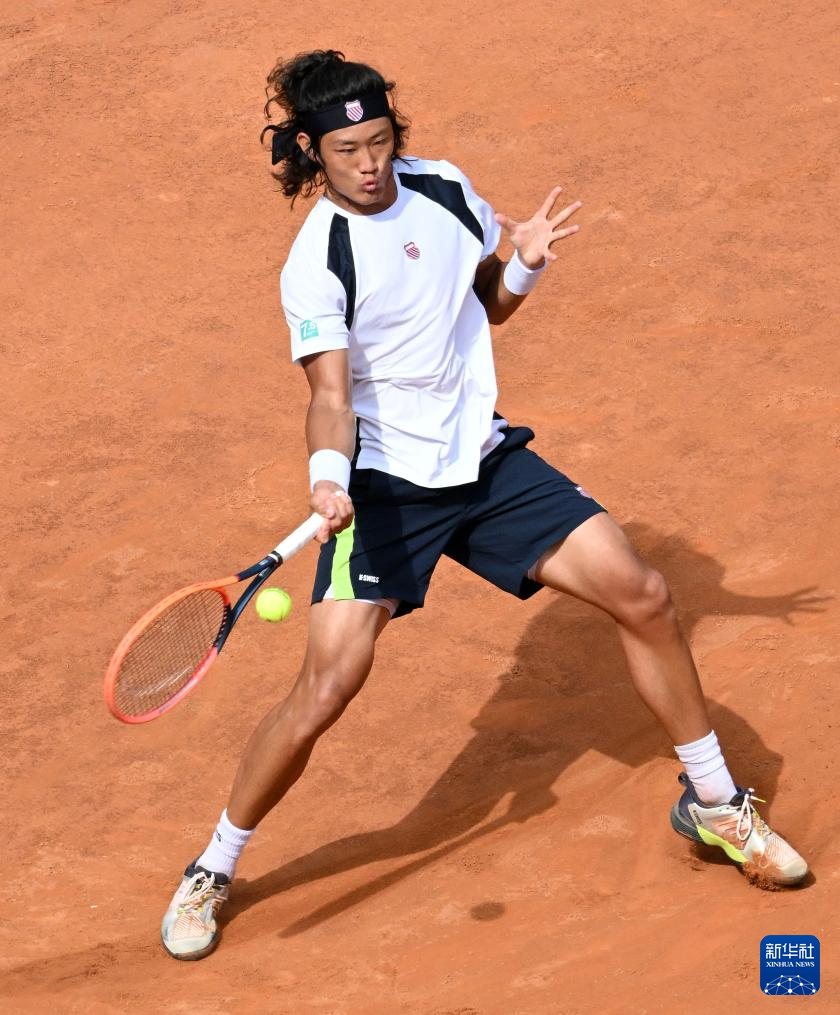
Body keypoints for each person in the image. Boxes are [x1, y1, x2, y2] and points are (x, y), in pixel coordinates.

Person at [160, 49, 807, 960]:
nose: (370, 164)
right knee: (327, 686)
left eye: (380, 142)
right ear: (313, 152)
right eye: (347, 151)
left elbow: (489, 305)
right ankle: (215, 865)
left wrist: (526, 265)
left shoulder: (445, 189)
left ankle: (714, 804)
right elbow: (331, 396)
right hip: (384, 487)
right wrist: (329, 476)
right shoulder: (317, 261)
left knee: (645, 594)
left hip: (482, 461)